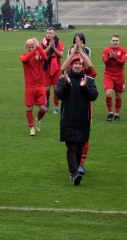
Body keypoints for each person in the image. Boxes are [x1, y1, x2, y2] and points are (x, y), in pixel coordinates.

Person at [57, 55, 99, 185]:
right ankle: (74, 173)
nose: (77, 66)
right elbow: (60, 95)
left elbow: (93, 96)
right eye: (75, 64)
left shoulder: (89, 80)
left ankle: (74, 171)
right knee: (72, 148)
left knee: (80, 148)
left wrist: (84, 87)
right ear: (71, 65)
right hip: (68, 119)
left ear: (83, 66)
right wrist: (68, 84)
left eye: (80, 64)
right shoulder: (63, 79)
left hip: (82, 120)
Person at [61, 33, 97, 176]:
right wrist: (73, 51)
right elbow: (63, 68)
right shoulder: (67, 75)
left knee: (84, 133)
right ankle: (75, 169)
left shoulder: (87, 74)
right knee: (72, 140)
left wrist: (79, 49)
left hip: (84, 106)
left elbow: (89, 65)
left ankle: (81, 163)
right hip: (70, 107)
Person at [20, 38, 48, 136]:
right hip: (29, 86)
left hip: (40, 86)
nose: (31, 48)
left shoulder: (39, 54)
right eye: (29, 47)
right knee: (29, 108)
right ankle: (31, 128)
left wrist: (39, 47)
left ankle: (38, 119)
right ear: (26, 47)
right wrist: (33, 51)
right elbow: (24, 59)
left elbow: (45, 58)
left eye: (32, 46)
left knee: (43, 108)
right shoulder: (24, 55)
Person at [102, 35, 127, 121]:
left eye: (117, 40)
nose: (115, 42)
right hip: (108, 75)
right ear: (111, 41)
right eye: (113, 40)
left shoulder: (123, 50)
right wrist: (110, 57)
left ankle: (117, 114)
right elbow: (105, 62)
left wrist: (114, 58)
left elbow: (123, 62)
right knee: (108, 93)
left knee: (118, 95)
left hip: (119, 75)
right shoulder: (106, 50)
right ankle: (110, 113)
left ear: (119, 41)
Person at [41, 27, 64, 114]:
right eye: (47, 32)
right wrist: (50, 46)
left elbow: (61, 55)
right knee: (46, 89)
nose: (48, 34)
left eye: (50, 33)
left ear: (54, 34)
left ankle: (55, 106)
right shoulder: (43, 42)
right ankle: (47, 102)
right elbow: (42, 54)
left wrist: (54, 48)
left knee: (56, 88)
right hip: (46, 67)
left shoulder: (59, 42)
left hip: (56, 68)